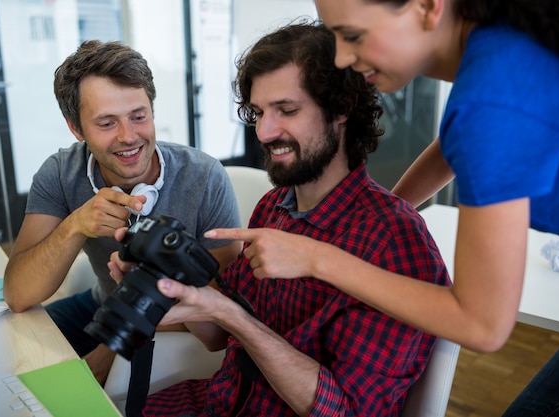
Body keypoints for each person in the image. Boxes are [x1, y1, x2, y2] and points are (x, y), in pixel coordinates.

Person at [208, 1, 559, 415]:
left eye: (352, 35)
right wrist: (378, 213)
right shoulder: (499, 57)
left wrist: (319, 255)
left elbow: (484, 325)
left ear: (427, 6)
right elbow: (455, 141)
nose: (341, 58)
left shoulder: (493, 104)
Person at [110, 21, 451, 416]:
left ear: (341, 109)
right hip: (219, 402)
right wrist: (182, 294)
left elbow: (344, 410)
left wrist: (228, 314)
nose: (266, 131)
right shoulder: (274, 207)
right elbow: (220, 337)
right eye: (258, 112)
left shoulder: (396, 245)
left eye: (287, 110)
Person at [2, 40, 242, 385]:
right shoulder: (59, 173)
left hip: (175, 325)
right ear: (76, 128)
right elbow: (18, 294)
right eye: (106, 123)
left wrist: (113, 346)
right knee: (8, 359)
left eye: (138, 116)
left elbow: (222, 324)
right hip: (102, 304)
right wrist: (76, 226)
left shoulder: (203, 177)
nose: (129, 137)